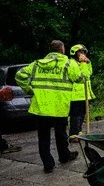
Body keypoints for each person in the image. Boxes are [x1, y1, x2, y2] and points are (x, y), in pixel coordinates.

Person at [15, 40, 82, 173]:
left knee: (43, 137)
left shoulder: (37, 64)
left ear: (50, 51)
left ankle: (48, 164)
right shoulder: (68, 63)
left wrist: (29, 89)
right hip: (59, 106)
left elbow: (19, 75)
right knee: (61, 133)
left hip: (41, 107)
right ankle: (64, 156)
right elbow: (79, 78)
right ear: (62, 50)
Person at [68, 44, 94, 142]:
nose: (83, 54)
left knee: (82, 114)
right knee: (75, 116)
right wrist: (83, 63)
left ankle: (79, 132)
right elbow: (82, 77)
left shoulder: (83, 62)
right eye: (81, 52)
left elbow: (89, 73)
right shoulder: (71, 63)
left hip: (84, 93)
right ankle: (73, 135)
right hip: (75, 95)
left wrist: (87, 63)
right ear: (75, 53)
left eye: (84, 52)